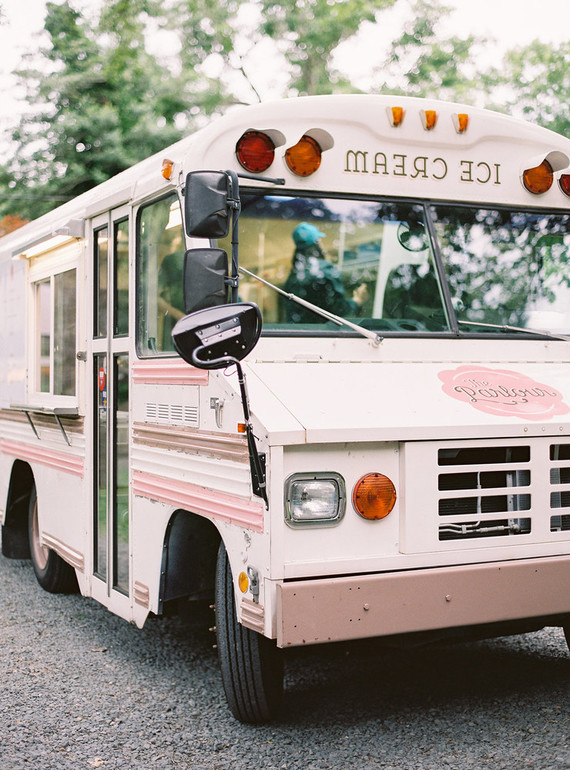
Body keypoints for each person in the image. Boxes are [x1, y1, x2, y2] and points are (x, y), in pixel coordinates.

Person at [283, 222, 368, 323]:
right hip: (323, 335)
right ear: (317, 242)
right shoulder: (325, 269)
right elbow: (337, 308)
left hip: (295, 334)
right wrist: (356, 301)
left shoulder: (293, 277)